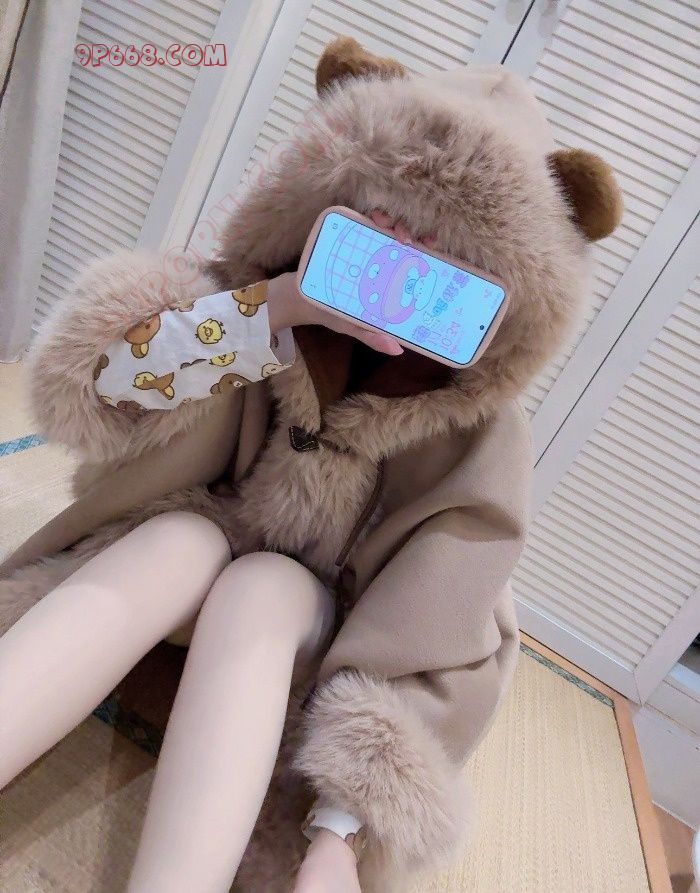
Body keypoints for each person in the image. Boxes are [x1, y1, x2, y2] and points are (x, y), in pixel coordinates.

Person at [0, 217, 414, 893]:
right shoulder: (252, 292)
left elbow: (436, 618)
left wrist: (340, 828)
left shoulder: (473, 420)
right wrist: (280, 303)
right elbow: (106, 382)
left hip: (311, 623)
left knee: (262, 586)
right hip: (193, 548)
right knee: (183, 539)